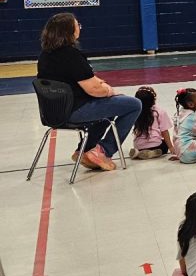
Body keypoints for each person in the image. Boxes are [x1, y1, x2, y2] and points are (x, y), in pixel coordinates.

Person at [35, 13, 142, 171]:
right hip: (74, 111)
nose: (79, 28)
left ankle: (84, 150)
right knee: (133, 105)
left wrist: (102, 88)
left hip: (53, 113)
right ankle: (103, 150)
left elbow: (85, 79)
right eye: (77, 25)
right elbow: (94, 90)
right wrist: (110, 91)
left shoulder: (45, 56)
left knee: (111, 107)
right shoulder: (71, 55)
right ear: (69, 31)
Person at [131, 86, 174, 159]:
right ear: (153, 99)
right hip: (155, 145)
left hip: (139, 146)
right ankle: (152, 153)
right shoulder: (159, 111)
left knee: (141, 143)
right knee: (164, 146)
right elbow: (164, 131)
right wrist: (171, 147)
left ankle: (137, 152)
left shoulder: (135, 112)